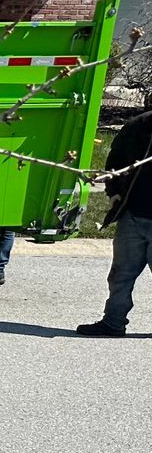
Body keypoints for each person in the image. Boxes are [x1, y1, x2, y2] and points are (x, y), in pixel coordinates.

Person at [77, 108, 152, 338]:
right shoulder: (140, 126)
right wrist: (113, 192)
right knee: (121, 274)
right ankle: (113, 322)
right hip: (133, 214)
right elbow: (116, 160)